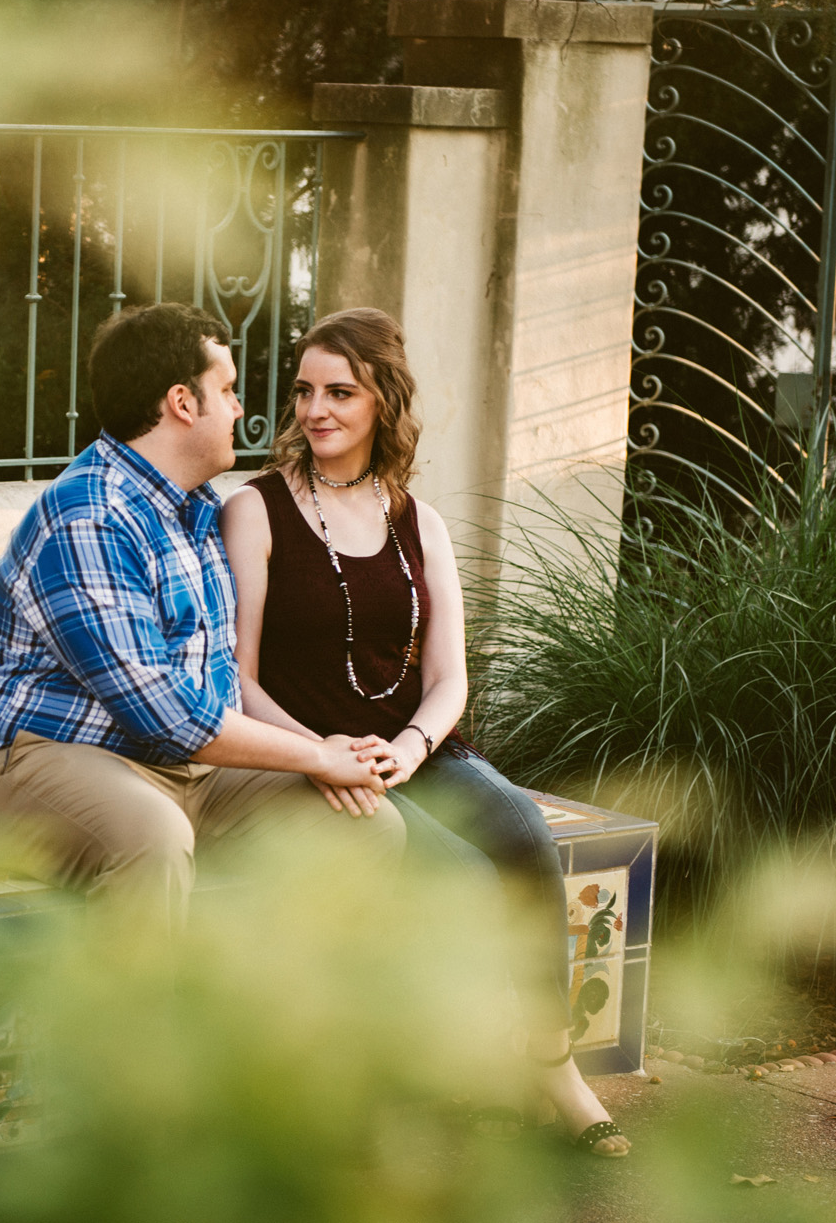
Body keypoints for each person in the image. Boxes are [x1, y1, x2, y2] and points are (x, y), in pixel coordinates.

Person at [218, 307, 631, 1158]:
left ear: (383, 401)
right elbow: (237, 677)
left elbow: (449, 678)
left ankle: (552, 1068)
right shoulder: (255, 512)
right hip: (305, 758)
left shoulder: (420, 522)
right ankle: (414, 1086)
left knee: (520, 832)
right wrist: (320, 754)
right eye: (304, 391)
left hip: (410, 752)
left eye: (341, 391)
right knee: (452, 875)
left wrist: (408, 746)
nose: (315, 410)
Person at [0, 302, 409, 932]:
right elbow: (168, 715)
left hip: (185, 773)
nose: (242, 410)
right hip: (36, 766)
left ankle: (256, 1014)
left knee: (366, 828)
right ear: (183, 403)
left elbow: (215, 692)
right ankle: (142, 1031)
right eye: (229, 390)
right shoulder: (91, 515)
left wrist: (322, 752)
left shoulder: (194, 511)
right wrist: (317, 755)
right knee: (151, 836)